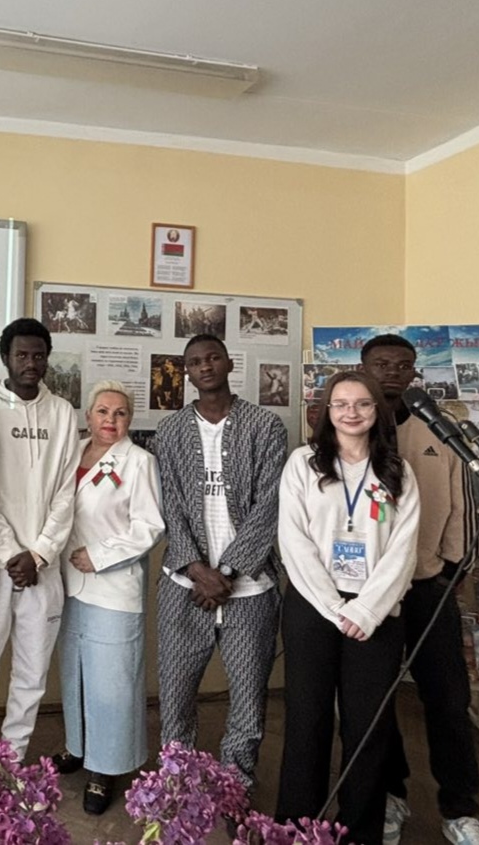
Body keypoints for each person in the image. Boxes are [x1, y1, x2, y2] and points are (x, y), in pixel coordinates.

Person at [275, 370, 420, 845]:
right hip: (313, 607)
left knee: (368, 728)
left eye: (361, 404)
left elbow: (403, 550)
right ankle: (296, 828)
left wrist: (365, 611)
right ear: (326, 411)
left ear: (377, 410)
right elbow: (293, 540)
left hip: (375, 614)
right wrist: (333, 605)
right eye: (340, 404)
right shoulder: (303, 464)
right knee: (307, 719)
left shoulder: (397, 470)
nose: (350, 412)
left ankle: (360, 831)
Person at [361, 334, 479, 845]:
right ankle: (391, 795)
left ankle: (460, 809)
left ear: (415, 374)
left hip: (426, 586)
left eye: (403, 365)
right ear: (363, 370)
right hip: (371, 595)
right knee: (376, 701)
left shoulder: (441, 430)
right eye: (381, 364)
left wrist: (451, 569)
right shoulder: (351, 426)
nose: (392, 372)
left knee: (448, 700)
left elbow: (462, 505)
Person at [155, 334, 285, 796]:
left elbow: (269, 506)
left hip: (249, 589)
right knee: (175, 695)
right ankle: (176, 785)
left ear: (229, 363)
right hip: (184, 587)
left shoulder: (266, 426)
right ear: (186, 372)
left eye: (213, 358)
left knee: (249, 697)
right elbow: (170, 506)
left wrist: (226, 573)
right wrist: (197, 569)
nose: (205, 366)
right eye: (195, 362)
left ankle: (236, 787)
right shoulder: (170, 431)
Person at [0, 318, 80, 761]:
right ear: (5, 358)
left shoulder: (62, 412)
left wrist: (40, 552)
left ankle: (10, 762)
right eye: (21, 355)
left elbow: (67, 491)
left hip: (42, 567)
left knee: (32, 673)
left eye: (38, 355)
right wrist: (10, 551)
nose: (31, 363)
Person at [53, 381, 164, 815]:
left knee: (113, 684)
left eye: (120, 413)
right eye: (102, 411)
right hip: (68, 584)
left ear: (129, 419)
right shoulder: (72, 453)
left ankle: (106, 767)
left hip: (113, 588)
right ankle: (78, 746)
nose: (110, 420)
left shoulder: (139, 461)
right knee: (76, 674)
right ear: (88, 416)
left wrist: (98, 556)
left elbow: (149, 527)